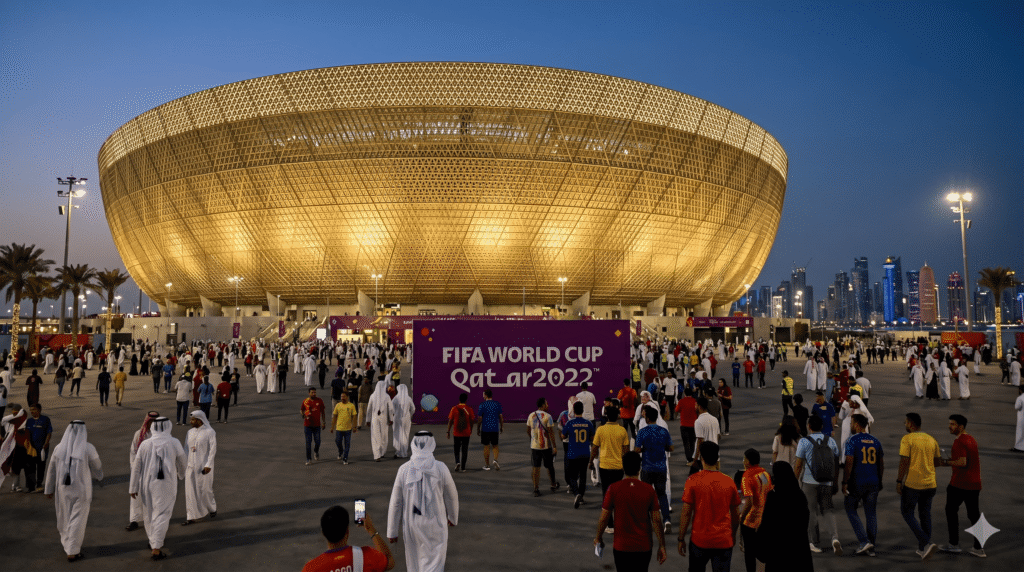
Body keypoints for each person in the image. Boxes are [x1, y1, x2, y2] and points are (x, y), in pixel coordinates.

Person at [386, 431, 459, 572]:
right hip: (436, 523)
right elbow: (452, 496)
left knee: (414, 562)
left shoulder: (404, 469)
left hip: (412, 523)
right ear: (432, 444)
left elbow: (395, 502)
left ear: (413, 444)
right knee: (435, 563)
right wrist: (452, 517)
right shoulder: (440, 467)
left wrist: (392, 530)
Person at [594, 451, 667, 571]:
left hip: (621, 546)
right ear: (639, 467)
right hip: (643, 546)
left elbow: (604, 517)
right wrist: (662, 545)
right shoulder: (649, 490)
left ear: (623, 467)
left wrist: (598, 537)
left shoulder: (613, 489)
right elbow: (657, 520)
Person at [44, 420, 103, 562]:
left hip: (63, 490)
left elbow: (51, 470)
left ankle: (68, 544)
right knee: (78, 519)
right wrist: (99, 477)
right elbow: (97, 466)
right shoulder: (88, 448)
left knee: (65, 517)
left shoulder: (59, 448)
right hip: (82, 490)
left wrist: (48, 489)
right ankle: (72, 550)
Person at [129, 416, 186, 560]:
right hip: (166, 484)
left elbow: (136, 468)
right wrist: (181, 474)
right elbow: (183, 461)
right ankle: (156, 547)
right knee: (162, 513)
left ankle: (153, 540)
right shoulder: (174, 442)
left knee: (149, 513)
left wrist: (133, 487)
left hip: (147, 483)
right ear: (168, 426)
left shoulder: (145, 444)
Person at [677, 441, 741, 571]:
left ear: (702, 458)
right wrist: (733, 534)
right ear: (717, 458)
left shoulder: (692, 480)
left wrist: (681, 538)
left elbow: (686, 513)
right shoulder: (729, 481)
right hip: (723, 540)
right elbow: (735, 514)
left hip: (700, 540)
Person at [937, 414, 985, 557]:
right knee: (974, 515)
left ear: (961, 427)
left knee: (951, 512)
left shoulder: (959, 442)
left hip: (959, 484)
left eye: (952, 424)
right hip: (974, 484)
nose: (949, 426)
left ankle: (954, 544)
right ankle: (979, 548)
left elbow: (962, 462)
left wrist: (945, 462)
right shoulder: (971, 439)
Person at [794, 414, 842, 555]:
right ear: (822, 426)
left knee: (811, 511)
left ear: (809, 427)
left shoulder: (804, 442)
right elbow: (836, 463)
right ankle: (834, 538)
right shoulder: (831, 441)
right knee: (828, 510)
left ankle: (815, 543)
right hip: (827, 481)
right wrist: (835, 481)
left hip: (809, 482)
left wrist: (794, 482)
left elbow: (798, 466)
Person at [896, 412, 940, 561]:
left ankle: (926, 542)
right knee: (925, 514)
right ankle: (923, 549)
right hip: (930, 483)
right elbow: (937, 461)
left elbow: (904, 461)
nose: (905, 424)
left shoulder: (907, 439)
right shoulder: (931, 439)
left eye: (905, 422)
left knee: (907, 512)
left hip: (913, 484)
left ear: (910, 424)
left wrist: (898, 481)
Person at [756, 461, 813, 572]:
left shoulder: (773, 496)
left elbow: (766, 524)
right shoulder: (799, 495)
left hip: (778, 550)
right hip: (798, 548)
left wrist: (760, 547)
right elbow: (805, 520)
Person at [303, 505, 395, 572]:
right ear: (347, 531)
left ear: (323, 533)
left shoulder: (311, 568)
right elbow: (389, 560)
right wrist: (371, 530)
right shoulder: (366, 556)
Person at [842, 413, 883, 556]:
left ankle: (864, 541)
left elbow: (849, 461)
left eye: (852, 423)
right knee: (871, 513)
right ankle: (871, 547)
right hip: (873, 481)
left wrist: (845, 481)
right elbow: (881, 463)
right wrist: (880, 480)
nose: (850, 426)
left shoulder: (852, 440)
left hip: (857, 482)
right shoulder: (875, 441)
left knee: (850, 508)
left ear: (857, 424)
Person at [634, 406, 673, 531]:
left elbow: (637, 449)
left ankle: (645, 522)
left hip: (647, 468)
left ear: (648, 418)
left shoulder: (643, 432)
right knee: (662, 495)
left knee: (645, 495)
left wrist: (645, 449)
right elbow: (671, 448)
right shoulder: (663, 431)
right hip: (661, 468)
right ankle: (666, 520)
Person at [126, 411, 160, 531]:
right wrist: (135, 468)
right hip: (140, 470)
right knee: (136, 495)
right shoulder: (139, 434)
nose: (152, 424)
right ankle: (134, 520)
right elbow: (133, 452)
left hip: (155, 471)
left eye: (155, 422)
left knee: (153, 496)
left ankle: (152, 519)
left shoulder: (161, 435)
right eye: (151, 421)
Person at [739, 448, 772, 572]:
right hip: (764, 517)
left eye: (744, 458)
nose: (743, 461)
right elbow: (767, 492)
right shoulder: (764, 473)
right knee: (762, 548)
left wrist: (742, 517)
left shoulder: (746, 476)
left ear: (748, 461)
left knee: (749, 552)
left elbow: (750, 501)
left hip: (751, 519)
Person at [182, 410, 217, 525]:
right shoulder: (190, 432)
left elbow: (212, 450)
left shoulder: (210, 432)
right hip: (191, 466)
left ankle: (212, 508)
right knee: (190, 491)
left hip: (204, 467)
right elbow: (186, 448)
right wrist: (184, 464)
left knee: (205, 491)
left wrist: (208, 465)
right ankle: (191, 516)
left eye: (193, 420)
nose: (191, 422)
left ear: (199, 420)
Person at [562, 400, 594, 507]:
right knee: (583, 476)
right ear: (583, 410)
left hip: (573, 453)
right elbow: (592, 438)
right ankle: (581, 495)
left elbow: (563, 436)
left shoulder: (569, 423)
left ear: (574, 410)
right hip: (585, 453)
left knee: (572, 476)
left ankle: (576, 494)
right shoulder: (588, 423)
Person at [528, 397, 560, 496]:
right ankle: (553, 484)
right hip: (546, 446)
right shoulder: (548, 416)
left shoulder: (531, 415)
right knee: (549, 466)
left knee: (536, 467)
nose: (548, 405)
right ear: (542, 405)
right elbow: (551, 433)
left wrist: (533, 439)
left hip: (535, 446)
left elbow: (528, 430)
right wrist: (554, 446)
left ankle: (536, 489)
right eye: (546, 404)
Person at [24, 403, 52, 492]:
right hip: (32, 449)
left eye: (33, 410)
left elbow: (49, 432)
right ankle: (31, 486)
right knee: (30, 467)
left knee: (41, 467)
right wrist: (28, 446)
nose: (31, 412)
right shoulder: (29, 421)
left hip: (42, 448)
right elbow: (26, 434)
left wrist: (46, 443)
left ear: (39, 410)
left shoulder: (45, 420)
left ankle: (39, 484)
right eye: (31, 410)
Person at [446, 392, 475, 471]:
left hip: (456, 433)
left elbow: (450, 421)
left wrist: (448, 431)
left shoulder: (454, 408)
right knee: (465, 450)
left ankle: (457, 462)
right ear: (466, 400)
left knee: (456, 449)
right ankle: (463, 467)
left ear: (459, 400)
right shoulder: (469, 409)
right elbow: (472, 420)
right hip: (466, 433)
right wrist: (471, 429)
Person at [476, 389, 503, 470]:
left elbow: (480, 418)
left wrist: (478, 428)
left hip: (485, 429)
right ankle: (495, 460)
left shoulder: (482, 405)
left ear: (486, 395)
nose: (483, 396)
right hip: (495, 428)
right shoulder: (497, 404)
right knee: (495, 445)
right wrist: (501, 426)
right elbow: (501, 417)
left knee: (486, 446)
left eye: (483, 394)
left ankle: (487, 465)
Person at [330, 390, 357, 463]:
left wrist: (354, 426)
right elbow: (334, 416)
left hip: (348, 429)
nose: (342, 398)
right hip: (339, 428)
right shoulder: (338, 405)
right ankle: (340, 451)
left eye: (344, 397)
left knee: (347, 444)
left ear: (347, 397)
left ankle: (345, 458)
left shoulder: (351, 406)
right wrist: (332, 427)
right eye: (341, 396)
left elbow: (354, 416)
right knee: (338, 441)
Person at [692, 396, 720, 466]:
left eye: (695, 405)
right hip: (715, 455)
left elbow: (700, 440)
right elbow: (718, 436)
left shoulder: (698, 421)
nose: (695, 407)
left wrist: (695, 459)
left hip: (703, 457)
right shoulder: (715, 419)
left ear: (699, 406)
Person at [302, 387, 327, 465]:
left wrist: (324, 422)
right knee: (308, 443)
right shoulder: (305, 401)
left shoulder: (319, 401)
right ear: (309, 393)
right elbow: (301, 410)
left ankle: (316, 451)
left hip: (317, 426)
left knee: (318, 441)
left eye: (315, 392)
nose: (314, 394)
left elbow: (323, 412)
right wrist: (304, 415)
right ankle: (308, 459)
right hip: (308, 426)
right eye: (312, 392)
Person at [675, 387, 698, 462]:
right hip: (694, 425)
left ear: (684, 393)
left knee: (686, 442)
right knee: (692, 442)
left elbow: (677, 410)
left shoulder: (681, 401)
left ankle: (688, 458)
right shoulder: (695, 401)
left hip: (684, 425)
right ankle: (692, 456)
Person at [1014, 384, 1024, 453]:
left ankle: (1019, 447)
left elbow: (1016, 407)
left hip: (1022, 417)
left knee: (1020, 432)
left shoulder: (1020, 398)